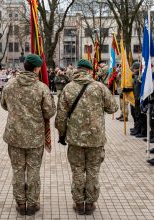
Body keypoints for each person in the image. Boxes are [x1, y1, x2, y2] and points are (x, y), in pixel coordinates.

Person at [55, 59, 118, 215]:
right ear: (90, 71)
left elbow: (61, 116)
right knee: (93, 171)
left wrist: (62, 135)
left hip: (75, 139)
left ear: (77, 70)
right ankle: (89, 203)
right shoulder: (99, 87)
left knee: (77, 170)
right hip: (96, 139)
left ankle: (78, 203)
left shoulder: (68, 88)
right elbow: (113, 108)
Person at [1, 54, 56, 216]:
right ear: (37, 68)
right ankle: (32, 204)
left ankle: (20, 203)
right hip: (35, 137)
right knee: (33, 171)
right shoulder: (41, 88)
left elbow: (4, 105)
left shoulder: (10, 85)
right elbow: (50, 111)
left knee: (18, 170)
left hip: (14, 136)